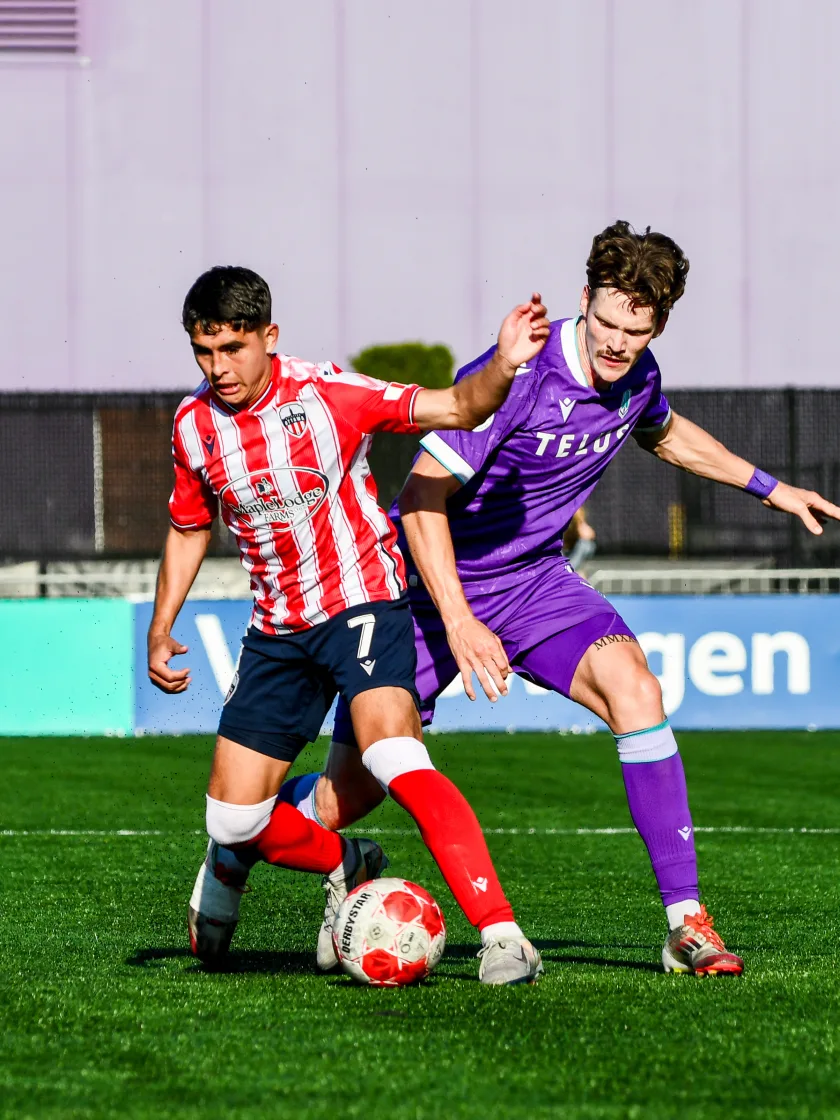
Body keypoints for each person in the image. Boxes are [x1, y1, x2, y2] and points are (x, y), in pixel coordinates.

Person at [279, 221, 840, 976]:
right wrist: (461, 621)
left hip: (537, 583)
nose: (617, 343)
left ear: (658, 324)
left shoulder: (638, 376)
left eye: (635, 331)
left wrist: (771, 489)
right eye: (606, 323)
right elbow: (417, 499)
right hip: (421, 590)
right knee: (346, 799)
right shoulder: (520, 374)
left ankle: (686, 924)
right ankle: (254, 836)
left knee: (636, 689)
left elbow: (667, 434)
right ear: (585, 299)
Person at [147, 265, 551, 985]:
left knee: (394, 760)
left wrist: (502, 362)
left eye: (233, 349)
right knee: (232, 822)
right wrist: (161, 624)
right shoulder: (193, 425)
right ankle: (345, 861)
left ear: (269, 336)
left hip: (363, 604)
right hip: (276, 631)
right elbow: (187, 527)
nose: (219, 368)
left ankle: (503, 935)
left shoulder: (329, 393)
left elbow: (458, 405)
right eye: (204, 352)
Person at [564, 506, 596, 573]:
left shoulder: (576, 511)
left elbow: (589, 533)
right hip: (564, 548)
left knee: (586, 545)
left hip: (574, 549)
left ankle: (568, 571)